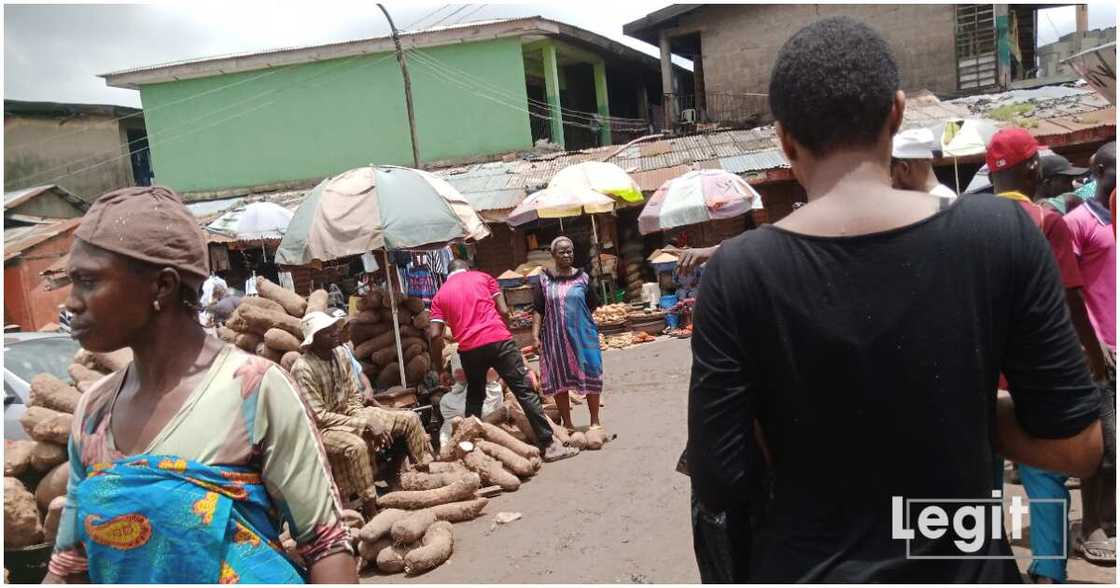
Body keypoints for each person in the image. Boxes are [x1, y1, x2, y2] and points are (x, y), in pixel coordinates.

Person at [688, 17, 1102, 582]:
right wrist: (954, 403)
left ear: (784, 140)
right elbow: (1077, 448)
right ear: (898, 113)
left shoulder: (738, 274)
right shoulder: (1000, 235)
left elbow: (719, 479)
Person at [44, 186, 356, 584]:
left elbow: (327, 546)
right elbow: (71, 568)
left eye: (88, 281)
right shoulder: (93, 413)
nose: (71, 302)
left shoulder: (253, 390)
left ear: (162, 286)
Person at [987, 128, 1110, 583]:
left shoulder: (964, 219)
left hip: (977, 374)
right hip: (1032, 376)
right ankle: (1048, 573)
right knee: (1046, 479)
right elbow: (1069, 301)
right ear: (1034, 167)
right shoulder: (1045, 223)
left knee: (983, 485)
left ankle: (988, 569)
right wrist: (1094, 357)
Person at [429, 259, 577, 462]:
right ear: (468, 269)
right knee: (524, 391)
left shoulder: (440, 295)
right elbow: (505, 311)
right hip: (499, 340)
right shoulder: (483, 278)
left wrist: (440, 369)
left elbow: (435, 335)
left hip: (470, 349)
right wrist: (504, 334)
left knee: (475, 396)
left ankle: (469, 449)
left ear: (448, 274)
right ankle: (549, 445)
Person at [290, 311, 432, 515]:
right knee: (356, 445)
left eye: (334, 329)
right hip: (324, 428)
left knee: (409, 418)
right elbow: (319, 416)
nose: (335, 333)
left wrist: (365, 417)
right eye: (327, 332)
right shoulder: (303, 368)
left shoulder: (340, 354)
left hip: (350, 413)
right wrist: (364, 425)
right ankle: (370, 506)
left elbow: (352, 396)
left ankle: (424, 476)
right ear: (314, 339)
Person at [1064, 141, 1117, 566]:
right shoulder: (1079, 221)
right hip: (1098, 350)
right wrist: (1090, 343)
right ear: (1099, 170)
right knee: (1100, 447)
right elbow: (1070, 289)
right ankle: (1091, 528)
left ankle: (1110, 520)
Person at [531, 237, 604, 430]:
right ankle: (568, 423)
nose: (567, 254)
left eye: (570, 251)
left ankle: (595, 420)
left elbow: (592, 305)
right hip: (554, 339)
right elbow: (538, 309)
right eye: (562, 251)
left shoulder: (583, 277)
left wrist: (579, 323)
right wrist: (534, 335)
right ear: (553, 255)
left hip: (582, 337)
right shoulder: (544, 279)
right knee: (558, 379)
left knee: (591, 375)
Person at [889, 127, 956, 200]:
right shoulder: (947, 198)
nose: (891, 181)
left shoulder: (938, 201)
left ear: (904, 168)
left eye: (891, 173)